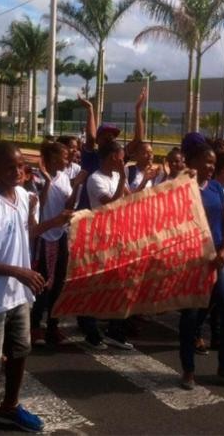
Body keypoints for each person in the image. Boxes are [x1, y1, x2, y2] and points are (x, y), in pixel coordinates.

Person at [0, 142, 72, 435]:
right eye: (10, 166)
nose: (17, 171)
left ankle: (10, 407)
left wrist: (55, 221)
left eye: (21, 165)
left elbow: (28, 232)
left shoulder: (23, 196)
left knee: (21, 351)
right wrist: (18, 272)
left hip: (19, 295)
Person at [179, 143, 224, 391]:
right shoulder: (182, 190)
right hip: (193, 261)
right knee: (191, 316)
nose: (210, 167)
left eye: (212, 163)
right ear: (192, 162)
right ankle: (188, 370)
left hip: (219, 258)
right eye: (206, 162)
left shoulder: (218, 188)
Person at [31, 142, 87, 346]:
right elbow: (40, 204)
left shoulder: (64, 177)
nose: (68, 159)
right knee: (41, 283)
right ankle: (35, 325)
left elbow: (69, 205)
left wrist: (77, 185)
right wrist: (46, 182)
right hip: (44, 236)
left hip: (60, 234)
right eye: (64, 156)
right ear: (53, 158)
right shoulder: (36, 176)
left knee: (59, 283)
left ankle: (52, 326)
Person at [82, 140, 134, 349]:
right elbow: (111, 204)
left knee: (121, 285)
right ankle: (90, 330)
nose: (123, 161)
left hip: (120, 237)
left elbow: (131, 199)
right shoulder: (95, 179)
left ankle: (115, 330)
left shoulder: (117, 176)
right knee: (96, 286)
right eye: (121, 157)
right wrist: (122, 178)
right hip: (101, 238)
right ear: (113, 157)